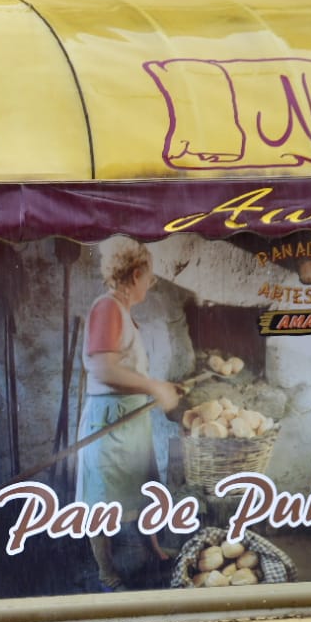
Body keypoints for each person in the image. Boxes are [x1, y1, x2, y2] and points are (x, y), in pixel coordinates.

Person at [77, 239, 181, 590]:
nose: (149, 285)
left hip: (131, 420)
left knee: (143, 488)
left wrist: (159, 386)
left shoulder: (121, 313)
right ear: (136, 274)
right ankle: (107, 572)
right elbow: (104, 370)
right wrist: (155, 387)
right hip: (110, 422)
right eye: (150, 278)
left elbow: (124, 368)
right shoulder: (106, 308)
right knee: (102, 501)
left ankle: (151, 548)